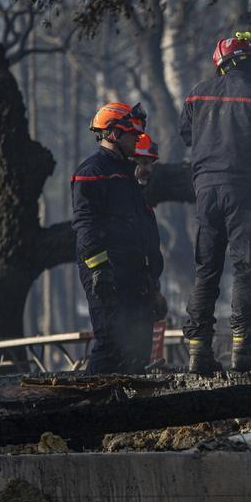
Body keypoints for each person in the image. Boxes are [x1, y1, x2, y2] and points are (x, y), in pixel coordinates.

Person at [180, 31, 251, 373]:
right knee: (246, 267)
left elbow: (186, 135)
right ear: (247, 61)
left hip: (205, 192)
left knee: (207, 270)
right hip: (242, 192)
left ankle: (198, 352)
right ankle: (244, 349)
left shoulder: (197, 94)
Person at [71, 102, 156, 374]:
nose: (138, 140)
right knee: (111, 345)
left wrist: (152, 278)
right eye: (133, 135)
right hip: (106, 274)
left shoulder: (127, 175)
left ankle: (130, 400)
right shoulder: (91, 172)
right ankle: (90, 399)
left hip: (133, 274)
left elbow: (142, 229)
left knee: (137, 349)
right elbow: (86, 225)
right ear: (115, 134)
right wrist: (99, 269)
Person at [132, 132, 168, 328]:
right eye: (143, 163)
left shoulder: (142, 198)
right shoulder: (123, 199)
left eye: (150, 164)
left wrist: (155, 289)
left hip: (146, 287)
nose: (148, 169)